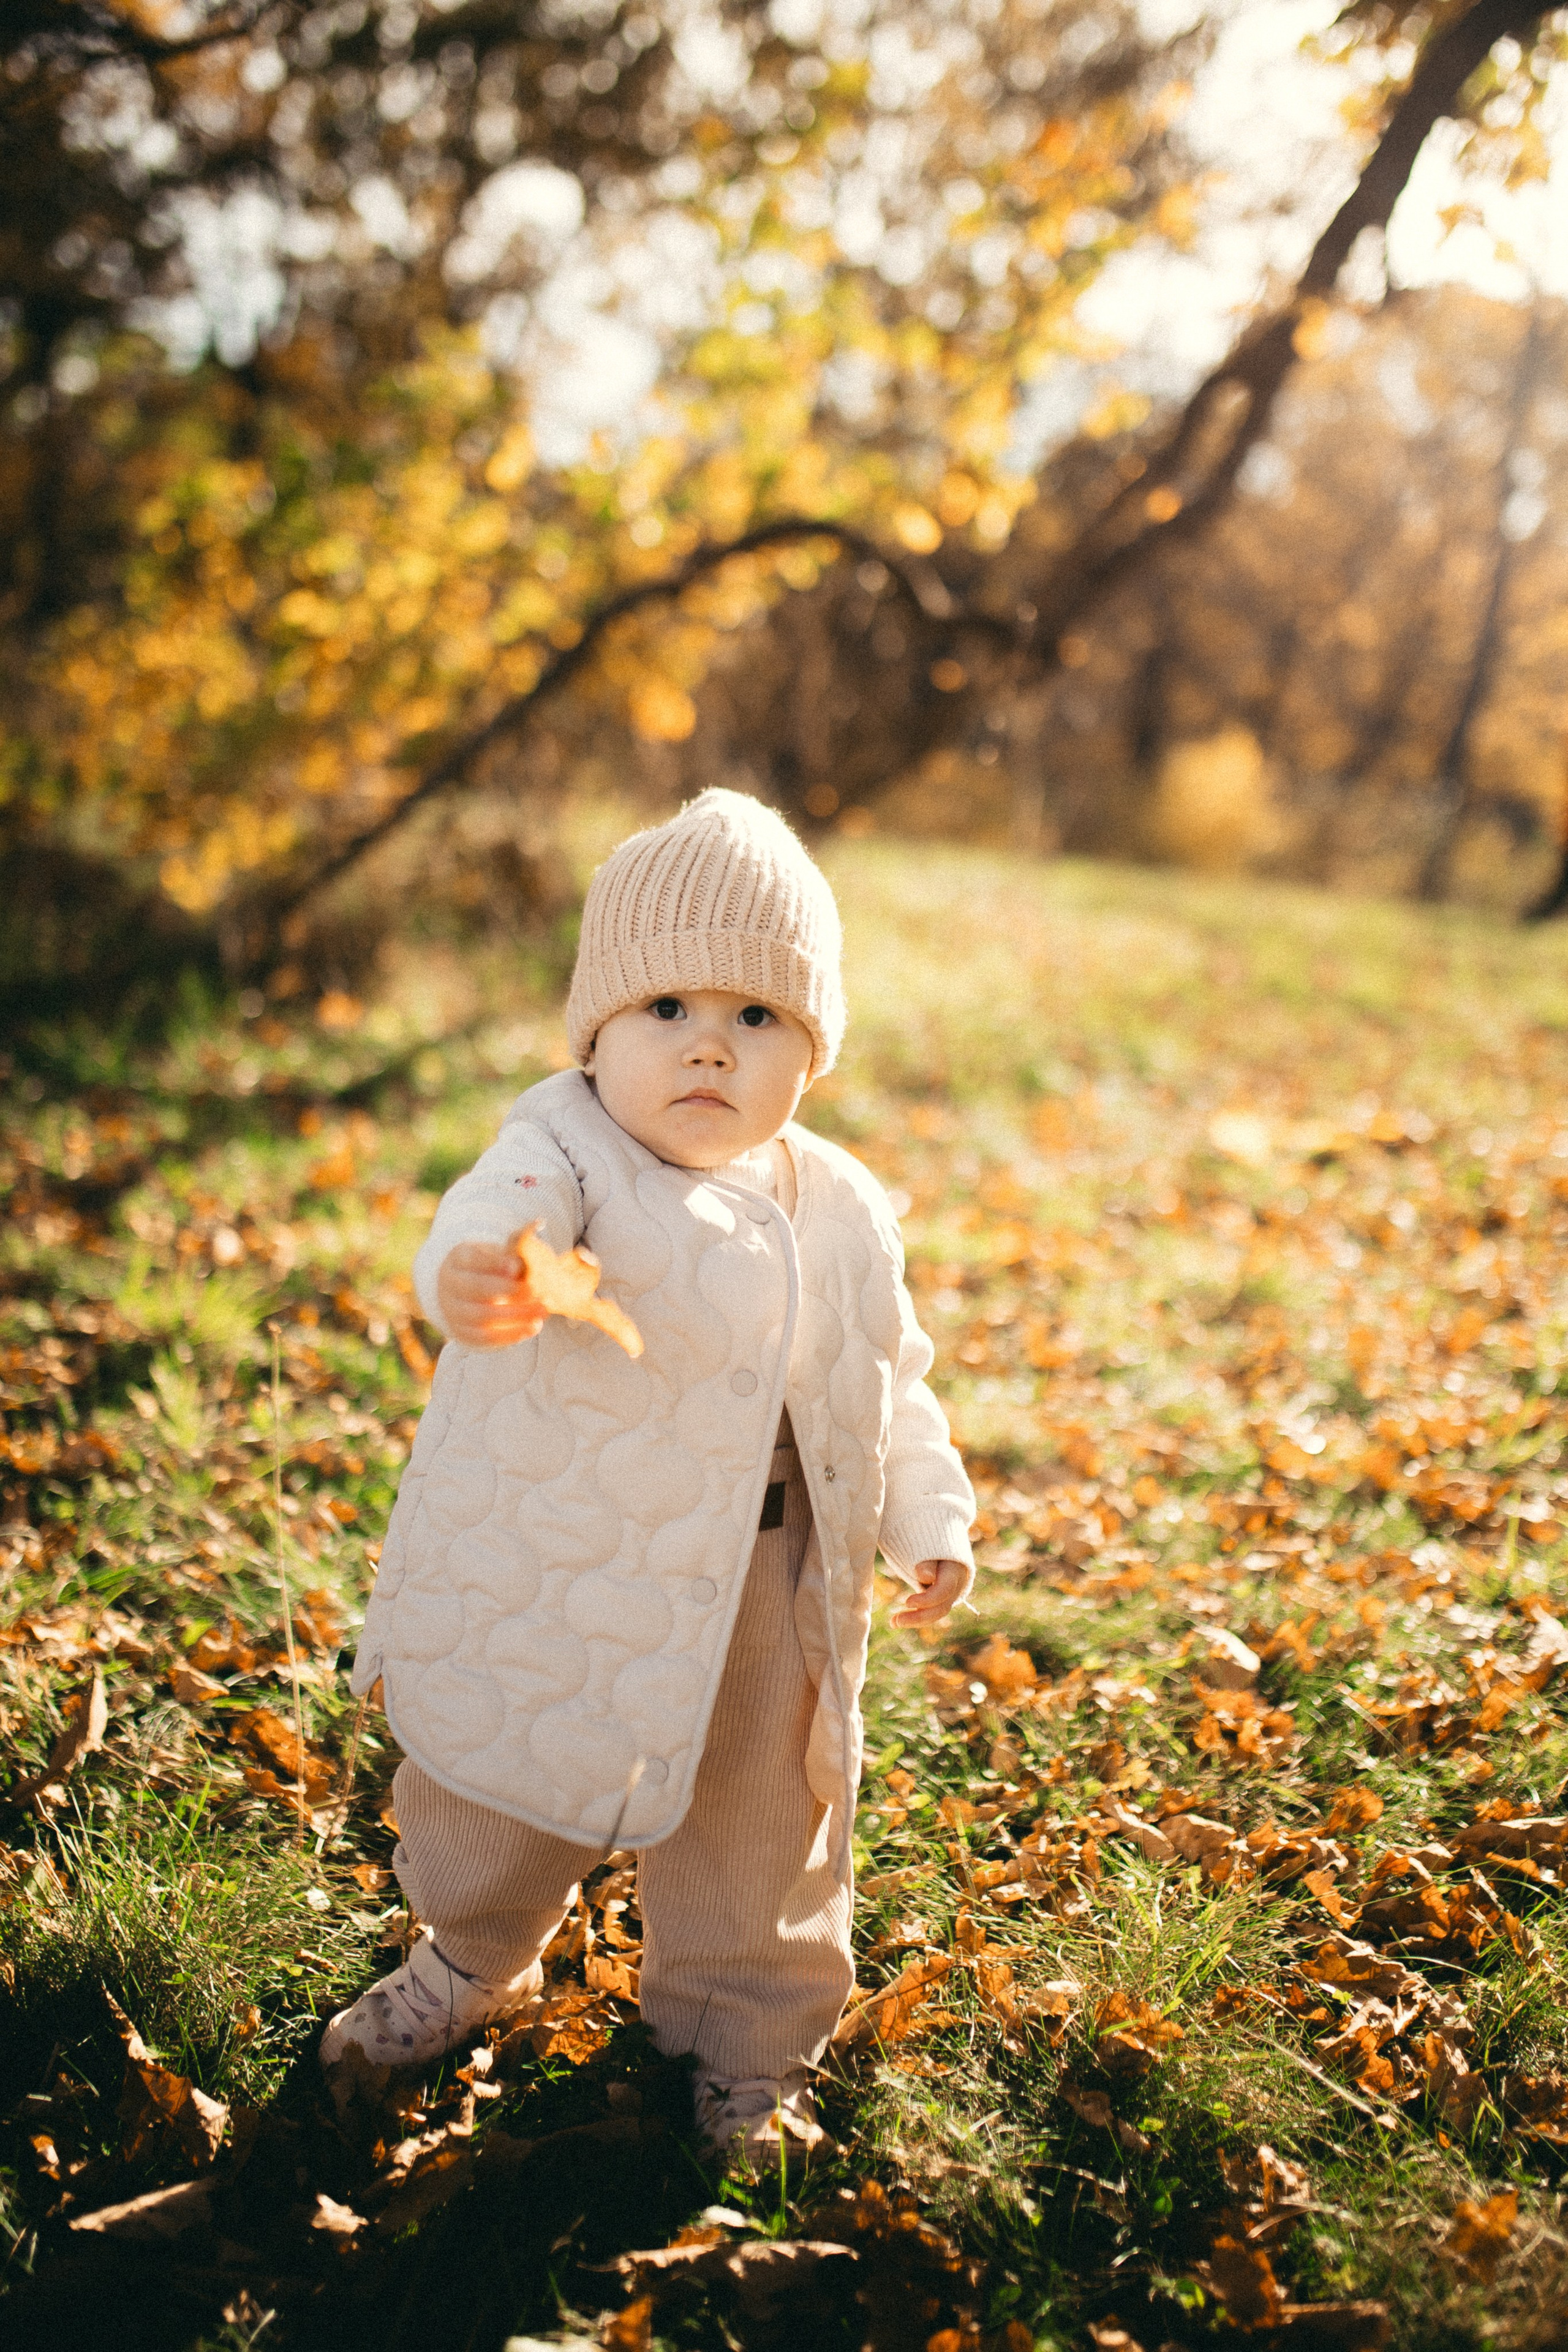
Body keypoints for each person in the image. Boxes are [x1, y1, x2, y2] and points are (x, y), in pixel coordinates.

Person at [324, 788, 975, 2171]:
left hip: (769, 1578)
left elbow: (887, 1374)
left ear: (812, 1049)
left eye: (757, 1018)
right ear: (597, 1033)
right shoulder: (564, 1144)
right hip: (573, 1552)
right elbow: (494, 1207)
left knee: (762, 1825)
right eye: (667, 1006)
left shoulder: (840, 1203)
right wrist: (480, 1272)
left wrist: (926, 1513)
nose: (708, 1047)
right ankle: (473, 1954)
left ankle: (743, 2040)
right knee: (509, 1785)